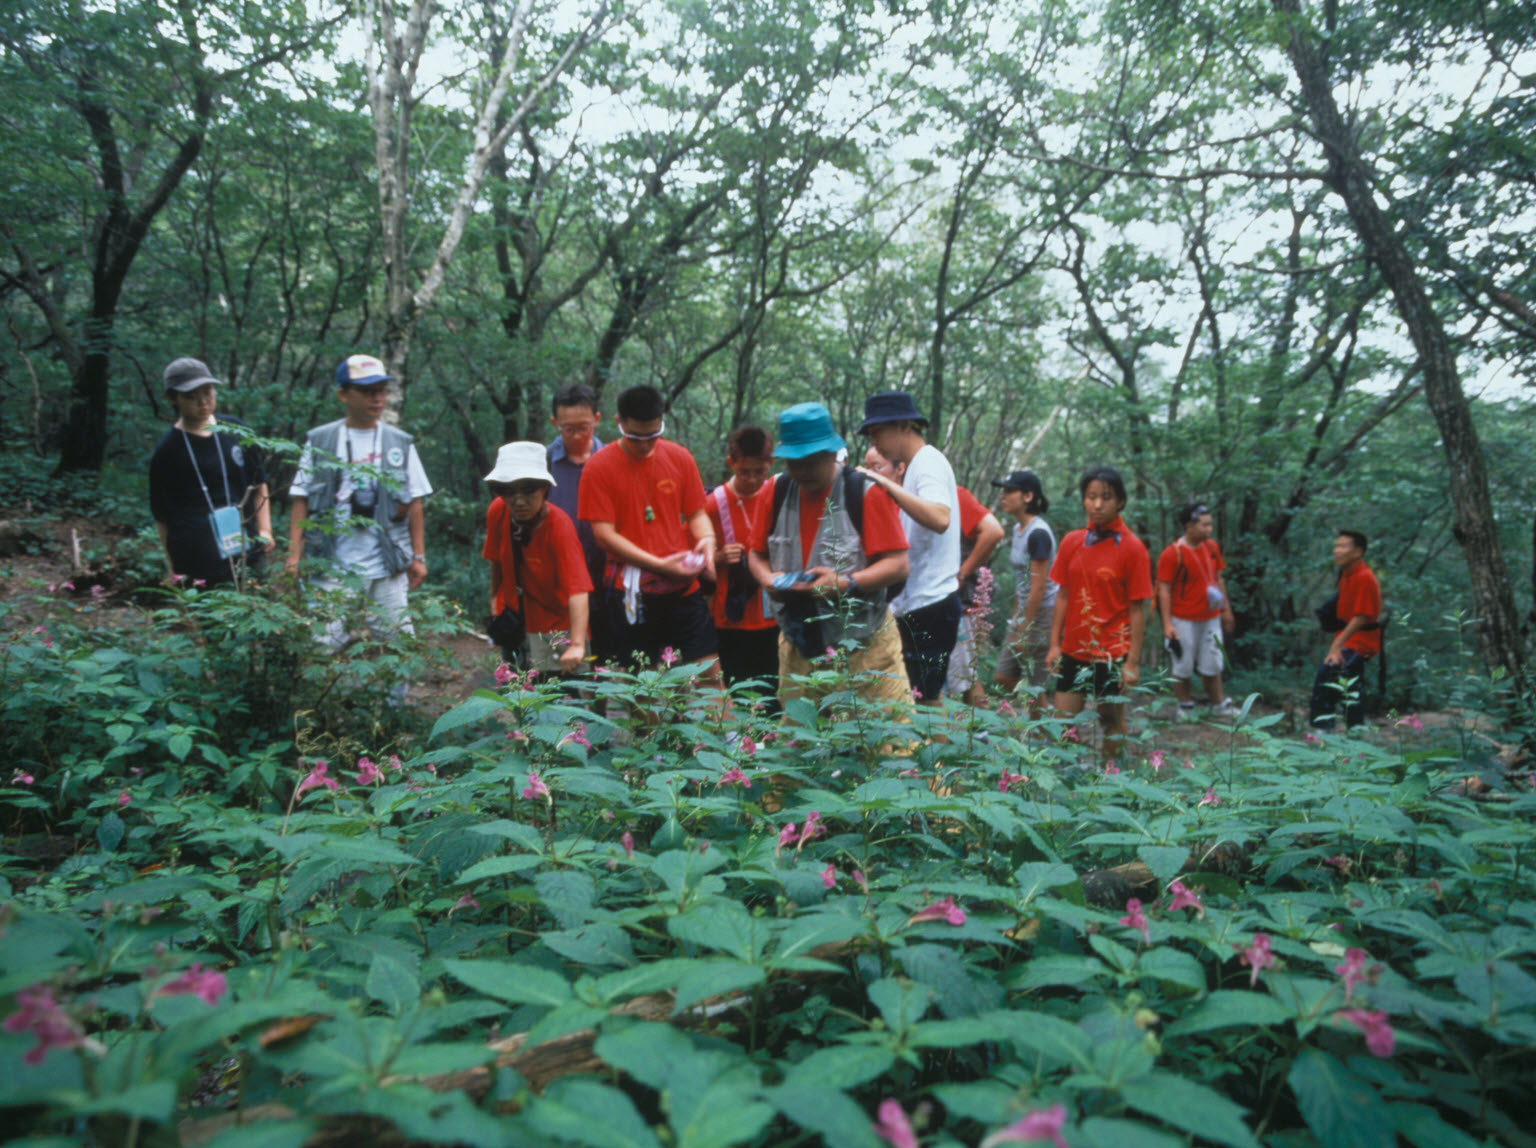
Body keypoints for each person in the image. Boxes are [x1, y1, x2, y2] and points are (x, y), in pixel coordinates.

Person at [747, 403, 910, 709]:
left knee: (888, 743)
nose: (801, 471)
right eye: (794, 462)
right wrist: (768, 580)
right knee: (800, 742)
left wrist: (847, 583)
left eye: (811, 461)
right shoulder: (775, 491)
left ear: (831, 453)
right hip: (798, 646)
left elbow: (898, 565)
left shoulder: (865, 493)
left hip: (865, 646)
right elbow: (755, 553)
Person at [285, 354, 432, 686]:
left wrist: (419, 557)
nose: (377, 399)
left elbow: (416, 500)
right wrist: (294, 555)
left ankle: (393, 714)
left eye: (382, 391)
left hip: (387, 562)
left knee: (400, 644)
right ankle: (325, 716)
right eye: (368, 392)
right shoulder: (321, 441)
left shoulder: (399, 442)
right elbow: (301, 499)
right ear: (343, 394)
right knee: (321, 645)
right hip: (332, 564)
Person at [577, 383, 718, 673]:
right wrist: (659, 565)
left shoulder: (679, 457)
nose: (644, 444)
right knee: (646, 685)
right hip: (632, 590)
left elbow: (696, 513)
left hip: (683, 586)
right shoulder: (598, 467)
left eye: (653, 436)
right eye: (635, 437)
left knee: (708, 673)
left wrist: (706, 540)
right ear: (619, 422)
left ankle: (717, 720)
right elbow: (604, 535)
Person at [855, 391, 962, 704]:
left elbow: (940, 517)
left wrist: (883, 483)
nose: (875, 445)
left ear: (904, 426)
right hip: (915, 602)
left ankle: (936, 755)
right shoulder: (915, 466)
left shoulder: (928, 461)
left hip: (931, 604)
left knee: (925, 704)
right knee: (917, 701)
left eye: (878, 434)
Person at [1046, 465, 1152, 761]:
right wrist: (1055, 644)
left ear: (1120, 501)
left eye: (1106, 497)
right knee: (1062, 725)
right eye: (1091, 496)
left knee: (1111, 722)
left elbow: (1137, 608)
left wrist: (1132, 661)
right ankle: (1071, 780)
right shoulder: (1072, 542)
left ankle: (1110, 782)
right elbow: (1063, 595)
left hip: (1112, 653)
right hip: (1074, 651)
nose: (1097, 504)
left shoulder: (1132, 548)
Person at [149, 357, 273, 586]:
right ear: (172, 398)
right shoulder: (167, 452)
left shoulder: (235, 430)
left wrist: (265, 529)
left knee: (259, 613)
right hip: (198, 561)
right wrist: (172, 568)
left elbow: (259, 483)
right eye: (191, 396)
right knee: (214, 621)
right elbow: (162, 517)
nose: (203, 402)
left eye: (208, 392)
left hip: (248, 552)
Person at [482, 442, 592, 675]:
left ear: (544, 489)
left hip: (556, 623)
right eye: (509, 491)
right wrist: (494, 600)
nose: (519, 501)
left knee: (561, 700)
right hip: (515, 617)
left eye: (528, 491)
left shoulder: (559, 527)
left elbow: (578, 589)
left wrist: (577, 644)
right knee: (520, 694)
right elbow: (495, 559)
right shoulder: (498, 511)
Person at [707, 426, 779, 701]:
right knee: (736, 690)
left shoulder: (777, 495)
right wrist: (718, 557)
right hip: (731, 618)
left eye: (759, 472)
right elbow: (692, 557)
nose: (752, 479)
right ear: (731, 463)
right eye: (744, 472)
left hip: (773, 614)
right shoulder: (715, 503)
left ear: (770, 465)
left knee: (772, 693)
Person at [1156, 502, 1239, 719]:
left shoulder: (1211, 547)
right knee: (1183, 663)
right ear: (1189, 526)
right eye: (1204, 525)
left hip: (1210, 616)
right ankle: (1185, 706)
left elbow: (1218, 578)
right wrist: (1167, 624)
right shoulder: (1172, 553)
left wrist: (1226, 610)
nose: (1208, 529)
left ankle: (1218, 704)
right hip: (1183, 618)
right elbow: (1163, 588)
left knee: (1213, 661)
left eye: (1210, 525)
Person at [992, 469, 1057, 706]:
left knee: (1033, 681)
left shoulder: (1038, 533)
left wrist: (1025, 629)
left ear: (1028, 496)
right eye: (1003, 491)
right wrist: (1015, 619)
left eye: (1010, 491)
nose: (1003, 496)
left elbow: (1039, 587)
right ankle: (1042, 718)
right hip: (1025, 612)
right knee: (1004, 676)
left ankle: (1043, 731)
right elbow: (1023, 582)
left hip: (1043, 613)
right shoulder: (1017, 530)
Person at [1309, 529, 1382, 730]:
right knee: (1347, 687)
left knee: (1330, 677)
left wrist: (1336, 646)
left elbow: (1361, 616)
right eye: (1336, 546)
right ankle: (1349, 733)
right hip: (1348, 638)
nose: (1336, 551)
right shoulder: (1347, 574)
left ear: (1358, 552)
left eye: (1343, 546)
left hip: (1361, 641)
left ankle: (1326, 733)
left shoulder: (1364, 576)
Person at [944, 484, 1006, 703]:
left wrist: (961, 574)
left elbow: (994, 531)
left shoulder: (953, 493)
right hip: (939, 605)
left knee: (965, 679)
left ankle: (982, 734)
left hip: (962, 605)